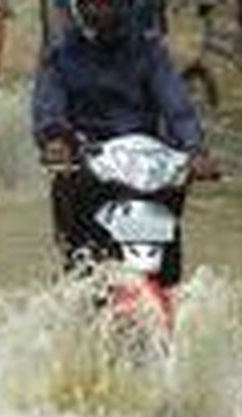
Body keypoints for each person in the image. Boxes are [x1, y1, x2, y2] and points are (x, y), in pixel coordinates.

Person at [32, 0, 218, 287]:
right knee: (81, 265)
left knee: (169, 270)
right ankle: (80, 307)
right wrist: (55, 140)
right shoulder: (60, 55)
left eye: (107, 3)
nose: (99, 10)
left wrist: (195, 150)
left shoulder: (149, 50)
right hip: (86, 169)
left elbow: (177, 106)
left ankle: (168, 298)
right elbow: (48, 108)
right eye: (90, 3)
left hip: (146, 171)